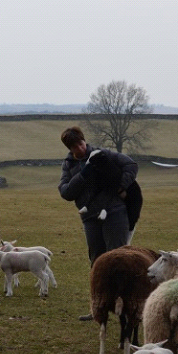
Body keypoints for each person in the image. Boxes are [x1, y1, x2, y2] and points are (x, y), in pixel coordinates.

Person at [58, 126, 141, 320]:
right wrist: (83, 174)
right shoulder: (68, 165)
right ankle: (98, 308)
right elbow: (66, 192)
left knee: (120, 258)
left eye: (81, 142)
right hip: (90, 219)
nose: (81, 147)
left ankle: (127, 308)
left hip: (115, 213)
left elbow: (131, 165)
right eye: (75, 146)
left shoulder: (102, 154)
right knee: (96, 262)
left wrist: (119, 186)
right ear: (70, 148)